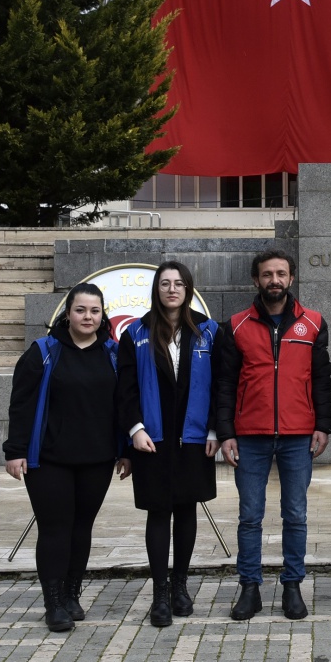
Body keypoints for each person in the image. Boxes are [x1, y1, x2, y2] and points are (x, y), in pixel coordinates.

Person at [214, 249, 331, 621]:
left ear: (292, 278)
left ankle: (292, 586)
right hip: (250, 435)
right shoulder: (234, 325)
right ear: (256, 280)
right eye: (267, 274)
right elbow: (225, 384)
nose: (275, 280)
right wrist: (226, 432)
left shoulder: (313, 323)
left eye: (281, 273)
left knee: (295, 514)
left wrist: (323, 424)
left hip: (299, 435)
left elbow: (321, 379)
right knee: (250, 516)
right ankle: (250, 588)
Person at [4, 282, 125, 632]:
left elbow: (123, 406)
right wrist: (15, 451)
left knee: (81, 529)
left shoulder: (114, 354)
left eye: (94, 311)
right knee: (55, 530)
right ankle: (53, 603)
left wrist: (125, 452)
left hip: (98, 457)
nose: (88, 316)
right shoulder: (43, 351)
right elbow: (21, 404)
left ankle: (72, 594)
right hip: (49, 459)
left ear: (103, 316)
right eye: (80, 310)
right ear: (67, 313)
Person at [116, 262, 219, 628]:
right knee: (159, 512)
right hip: (152, 440)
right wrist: (134, 429)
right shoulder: (136, 333)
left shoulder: (208, 331)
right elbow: (124, 388)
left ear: (188, 289)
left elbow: (221, 385)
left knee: (187, 510)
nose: (172, 289)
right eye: (165, 283)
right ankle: (159, 593)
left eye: (178, 283)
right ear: (156, 289)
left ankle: (180, 586)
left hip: (193, 438)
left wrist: (213, 431)